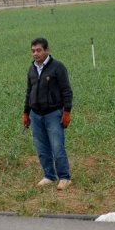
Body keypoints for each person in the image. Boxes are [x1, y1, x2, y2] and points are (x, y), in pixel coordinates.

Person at [22, 37, 74, 190]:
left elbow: (66, 91)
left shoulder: (57, 67)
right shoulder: (32, 69)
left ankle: (65, 177)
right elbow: (29, 92)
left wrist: (67, 111)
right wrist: (26, 112)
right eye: (33, 51)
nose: (35, 54)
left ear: (47, 50)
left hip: (53, 114)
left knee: (57, 147)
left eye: (39, 50)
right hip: (36, 115)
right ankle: (49, 176)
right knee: (42, 148)